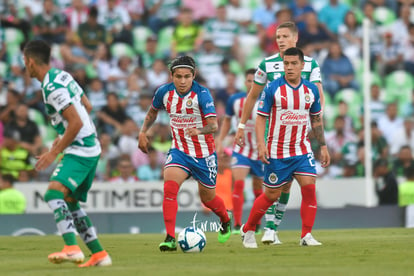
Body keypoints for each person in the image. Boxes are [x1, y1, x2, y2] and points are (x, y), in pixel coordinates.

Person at [234, 21, 326, 245]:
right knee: (274, 191)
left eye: (285, 36)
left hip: (300, 141)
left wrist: (319, 137)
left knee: (308, 188)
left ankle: (294, 232)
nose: (281, 40)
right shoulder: (267, 65)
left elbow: (317, 100)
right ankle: (258, 228)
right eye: (277, 37)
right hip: (275, 139)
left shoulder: (310, 65)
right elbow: (253, 98)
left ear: (295, 38)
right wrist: (241, 125)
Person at [23, 40, 111, 267]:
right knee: (70, 201)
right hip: (90, 146)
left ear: (31, 62)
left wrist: (55, 151)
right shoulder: (62, 76)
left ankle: (71, 248)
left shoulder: (51, 87)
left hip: (80, 149)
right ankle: (99, 254)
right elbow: (87, 106)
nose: (26, 67)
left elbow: (76, 120)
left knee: (53, 194)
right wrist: (63, 133)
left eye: (25, 62)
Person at [138, 56, 232, 251]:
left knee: (208, 199)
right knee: (169, 189)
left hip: (204, 155)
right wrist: (143, 131)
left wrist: (199, 130)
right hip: (179, 150)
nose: (182, 81)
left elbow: (214, 125)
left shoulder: (202, 94)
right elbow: (152, 113)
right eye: (178, 76)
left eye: (187, 77)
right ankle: (170, 238)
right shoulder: (163, 92)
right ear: (171, 75)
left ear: (193, 76)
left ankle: (225, 219)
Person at [216, 68, 263, 234]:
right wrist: (220, 141)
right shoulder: (235, 100)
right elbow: (227, 121)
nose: (252, 84)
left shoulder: (265, 100)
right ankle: (237, 224)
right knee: (238, 183)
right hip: (241, 148)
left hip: (259, 150)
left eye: (255, 81)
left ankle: (256, 224)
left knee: (259, 189)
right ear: (245, 82)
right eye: (249, 80)